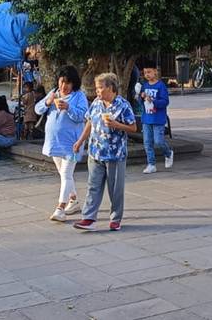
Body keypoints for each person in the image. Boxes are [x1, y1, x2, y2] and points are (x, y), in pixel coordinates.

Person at [73, 72, 137, 232]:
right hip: (95, 152)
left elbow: (133, 127)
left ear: (110, 88)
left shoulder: (123, 105)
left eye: (100, 88)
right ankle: (88, 218)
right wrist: (81, 141)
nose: (98, 91)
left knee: (115, 188)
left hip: (115, 154)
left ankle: (115, 218)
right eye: (97, 88)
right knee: (93, 186)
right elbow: (89, 122)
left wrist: (116, 124)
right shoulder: (96, 103)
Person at [37, 66, 88, 221]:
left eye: (68, 83)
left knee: (66, 174)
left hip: (72, 142)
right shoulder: (53, 93)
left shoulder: (79, 96)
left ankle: (60, 208)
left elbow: (83, 116)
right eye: (61, 81)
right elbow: (37, 109)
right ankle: (73, 200)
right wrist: (48, 101)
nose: (64, 86)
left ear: (74, 84)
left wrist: (68, 107)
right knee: (64, 174)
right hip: (54, 141)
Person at [137, 56, 173, 174]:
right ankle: (151, 164)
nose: (147, 74)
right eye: (145, 72)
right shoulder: (144, 85)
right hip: (146, 118)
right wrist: (140, 97)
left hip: (158, 118)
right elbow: (140, 102)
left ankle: (168, 153)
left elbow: (165, 101)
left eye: (149, 72)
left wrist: (153, 101)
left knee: (159, 141)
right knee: (147, 142)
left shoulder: (161, 86)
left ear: (155, 72)